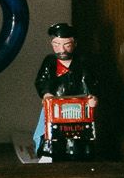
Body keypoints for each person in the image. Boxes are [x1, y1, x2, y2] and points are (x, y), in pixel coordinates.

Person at [29, 22, 103, 160]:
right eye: (56, 45)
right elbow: (41, 81)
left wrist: (92, 96)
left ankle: (78, 155)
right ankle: (50, 155)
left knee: (77, 133)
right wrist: (46, 94)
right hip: (56, 105)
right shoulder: (50, 62)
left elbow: (90, 81)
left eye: (66, 45)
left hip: (78, 106)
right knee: (53, 132)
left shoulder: (82, 62)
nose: (61, 49)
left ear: (74, 44)